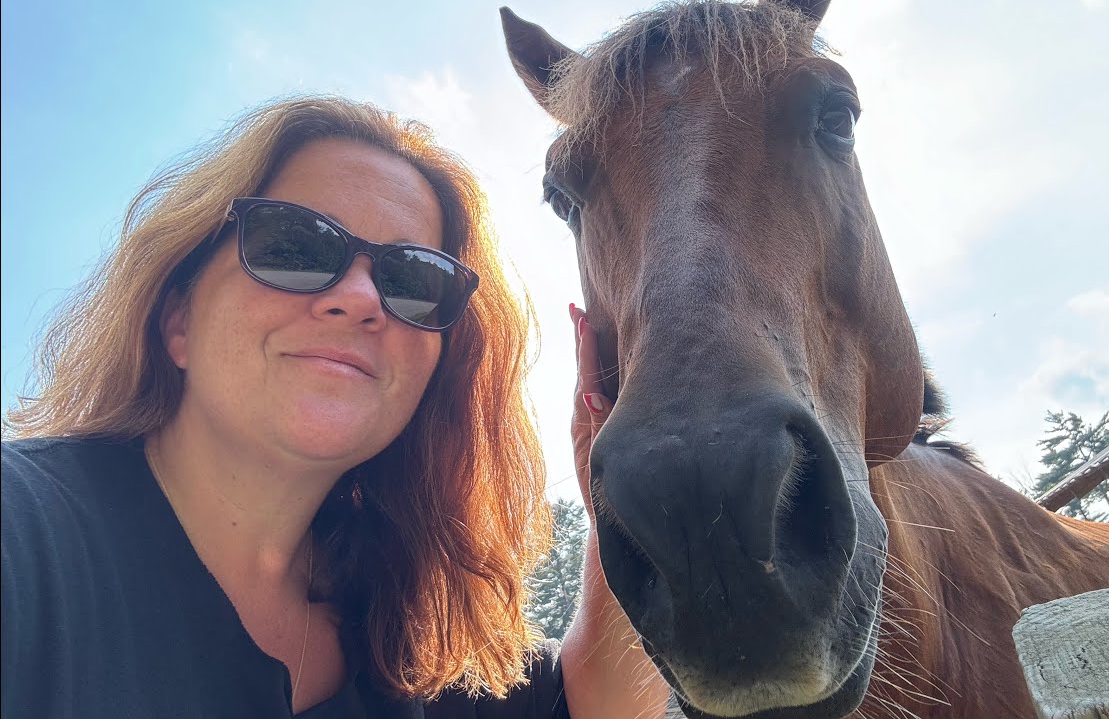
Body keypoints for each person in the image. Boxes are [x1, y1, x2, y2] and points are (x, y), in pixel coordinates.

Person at [1, 96, 668, 718]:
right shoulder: (25, 539)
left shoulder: (406, 629)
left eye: (413, 279)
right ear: (178, 317)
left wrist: (621, 496)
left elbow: (592, 706)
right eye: (295, 246)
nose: (361, 297)